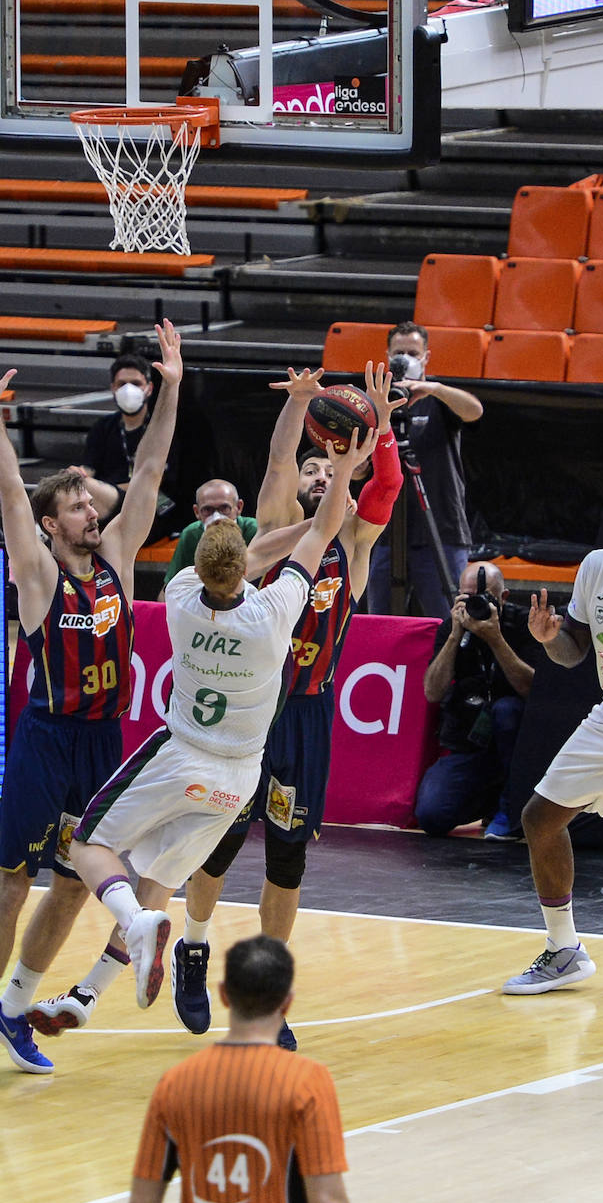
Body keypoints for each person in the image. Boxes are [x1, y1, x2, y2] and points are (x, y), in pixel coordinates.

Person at [27, 410, 374, 1034]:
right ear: (245, 572)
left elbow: (253, 551)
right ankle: (85, 996)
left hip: (182, 752)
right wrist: (346, 465)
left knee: (86, 844)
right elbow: (319, 533)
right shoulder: (274, 615)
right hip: (237, 777)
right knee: (159, 878)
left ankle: (134, 925)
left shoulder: (182, 596)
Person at [0, 322, 183, 1087]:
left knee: (75, 886)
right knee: (13, 884)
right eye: (77, 505)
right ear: (53, 525)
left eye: (91, 499)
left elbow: (149, 470)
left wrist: (172, 387)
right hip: (46, 739)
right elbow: (13, 491)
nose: (92, 510)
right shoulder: (42, 576)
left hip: (104, 740)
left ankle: (19, 1007)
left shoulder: (117, 562)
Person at [167, 362, 404, 1049]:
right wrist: (300, 405)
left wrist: (381, 429)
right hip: (252, 711)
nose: (321, 476)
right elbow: (276, 463)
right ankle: (195, 946)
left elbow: (385, 487)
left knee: (288, 860)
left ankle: (267, 996)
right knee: (218, 841)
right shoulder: (275, 533)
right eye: (313, 470)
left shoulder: (355, 545)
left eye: (333, 471)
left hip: (306, 715)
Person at [128, 935, 351, 1203]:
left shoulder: (174, 1083)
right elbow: (327, 1198)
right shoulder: (308, 1081)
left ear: (223, 995)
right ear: (287, 1002)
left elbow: (142, 1199)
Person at [501, 494, 603, 994]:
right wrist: (550, 639)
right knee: (539, 819)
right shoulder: (597, 567)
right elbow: (573, 649)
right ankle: (564, 949)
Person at [366, 322, 484, 620]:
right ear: (387, 355)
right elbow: (359, 470)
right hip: (383, 531)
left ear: (426, 357)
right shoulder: (375, 402)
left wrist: (433, 388)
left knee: (449, 620)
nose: (405, 359)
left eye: (413, 353)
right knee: (379, 620)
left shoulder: (439, 398)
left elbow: (475, 411)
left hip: (441, 526)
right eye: (399, 352)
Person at [416, 561, 536, 840]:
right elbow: (432, 692)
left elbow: (533, 689)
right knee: (431, 816)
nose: (477, 605)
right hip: (469, 746)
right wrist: (455, 637)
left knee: (507, 710)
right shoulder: (452, 628)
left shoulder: (522, 624)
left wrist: (496, 641)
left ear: (503, 597)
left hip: (518, 750)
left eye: (485, 598)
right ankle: (489, 800)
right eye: (468, 598)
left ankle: (509, 806)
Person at [77, 351, 180, 541]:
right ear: (113, 388)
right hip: (110, 508)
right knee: (74, 484)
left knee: (85, 490)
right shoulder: (103, 427)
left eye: (136, 383)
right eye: (122, 384)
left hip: (155, 507)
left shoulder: (162, 429)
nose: (128, 389)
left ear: (149, 388)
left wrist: (106, 486)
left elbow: (157, 480)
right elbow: (88, 468)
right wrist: (77, 473)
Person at [159, 477, 257, 599]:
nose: (217, 517)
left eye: (224, 508)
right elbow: (168, 590)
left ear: (239, 507)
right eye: (207, 510)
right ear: (197, 512)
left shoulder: (254, 531)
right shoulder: (191, 534)